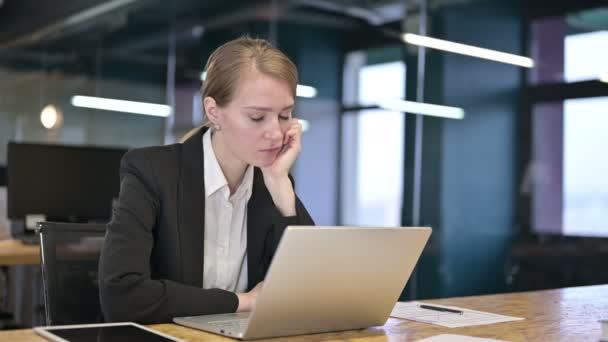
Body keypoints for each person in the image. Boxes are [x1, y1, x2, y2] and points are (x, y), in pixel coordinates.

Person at [99, 36, 315, 324]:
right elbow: (121, 295)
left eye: (285, 115)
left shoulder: (272, 183)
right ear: (214, 112)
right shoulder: (151, 172)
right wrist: (243, 301)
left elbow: (309, 293)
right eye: (257, 117)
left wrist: (282, 190)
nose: (276, 133)